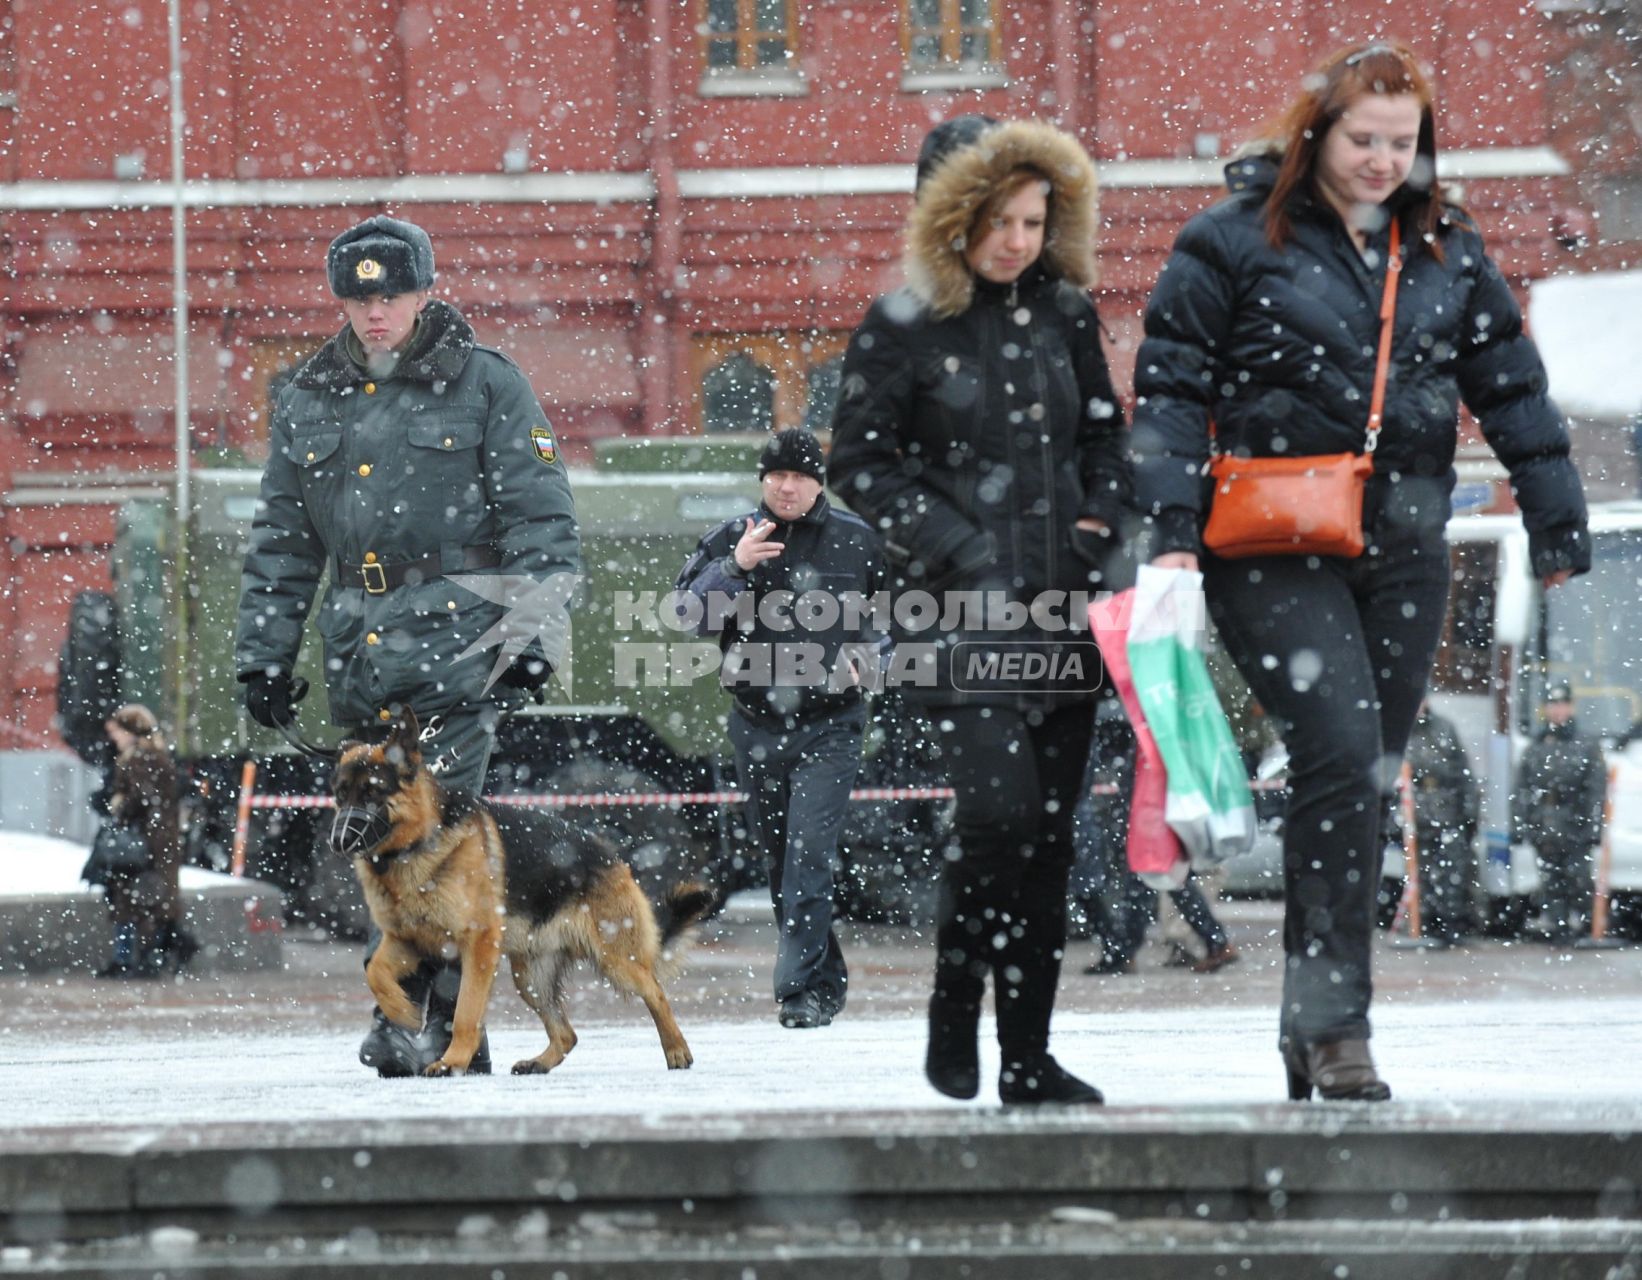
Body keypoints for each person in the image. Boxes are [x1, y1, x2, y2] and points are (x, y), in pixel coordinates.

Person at [1128, 41, 1590, 1101]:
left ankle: (1310, 1012)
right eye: (1362, 139)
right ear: (1316, 133)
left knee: (1356, 780)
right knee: (1337, 746)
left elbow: (1510, 384)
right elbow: (1168, 388)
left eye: (1401, 142)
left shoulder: (1444, 248)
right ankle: (1339, 1026)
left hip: (1403, 545)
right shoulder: (1231, 239)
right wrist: (1163, 528)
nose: (1382, 160)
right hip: (1269, 538)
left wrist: (1555, 515)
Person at [829, 116, 1132, 1105]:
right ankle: (955, 1000)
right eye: (997, 219)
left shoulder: (1065, 314)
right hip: (954, 616)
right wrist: (959, 546)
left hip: (1061, 612)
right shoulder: (901, 323)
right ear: (950, 216)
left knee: (1047, 838)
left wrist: (1095, 528)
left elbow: (1105, 439)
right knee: (998, 815)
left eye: (1034, 220)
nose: (1016, 240)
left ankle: (1027, 1054)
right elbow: (859, 465)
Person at [234, 214, 581, 1075]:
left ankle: (415, 1023)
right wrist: (263, 656)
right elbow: (282, 541)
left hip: (460, 646)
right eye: (357, 297)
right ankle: (441, 1027)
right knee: (377, 843)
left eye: (389, 295)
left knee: (436, 840)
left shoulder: (488, 386)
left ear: (426, 292)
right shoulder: (310, 395)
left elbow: (541, 520)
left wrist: (532, 633)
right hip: (358, 651)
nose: (374, 312)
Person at [674, 429, 885, 1029]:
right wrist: (733, 568)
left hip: (831, 723)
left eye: (798, 477)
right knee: (779, 861)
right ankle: (824, 977)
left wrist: (872, 660)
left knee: (808, 854)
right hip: (756, 722)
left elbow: (900, 621)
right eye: (776, 477)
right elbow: (686, 615)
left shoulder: (858, 541)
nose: (786, 487)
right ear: (763, 480)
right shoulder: (730, 538)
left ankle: (796, 991)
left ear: (819, 481)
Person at [99, 704, 195, 978]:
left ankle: (140, 959)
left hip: (146, 842)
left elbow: (142, 797)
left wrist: (118, 805)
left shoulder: (141, 758)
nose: (114, 737)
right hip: (155, 840)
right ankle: (144, 957)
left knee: (138, 901)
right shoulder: (154, 755)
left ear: (131, 731)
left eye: (117, 731)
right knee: (146, 900)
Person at [1511, 683, 1607, 944]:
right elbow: (1522, 787)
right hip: (1545, 822)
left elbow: (1596, 789)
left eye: (1562, 705)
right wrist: (1521, 824)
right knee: (1551, 881)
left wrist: (1593, 826)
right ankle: (1559, 929)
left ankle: (1588, 927)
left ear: (1571, 707)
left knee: (1579, 879)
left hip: (1574, 821)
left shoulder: (1585, 744)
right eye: (1553, 705)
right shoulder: (1537, 745)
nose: (1558, 711)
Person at [1404, 697, 1479, 946]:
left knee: (1453, 872)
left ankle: (1452, 924)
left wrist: (1469, 810)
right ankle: (1428, 923)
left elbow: (1463, 771)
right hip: (1417, 812)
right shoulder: (1402, 731)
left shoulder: (1444, 728)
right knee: (1423, 874)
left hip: (1448, 812)